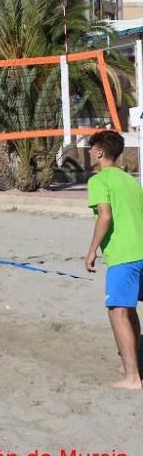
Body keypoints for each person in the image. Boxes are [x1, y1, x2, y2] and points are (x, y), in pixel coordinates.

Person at [84, 130, 143, 390]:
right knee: (128, 309)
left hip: (124, 255)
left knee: (117, 310)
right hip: (140, 251)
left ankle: (132, 377)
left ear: (99, 152)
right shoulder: (130, 180)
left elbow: (105, 217)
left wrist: (92, 249)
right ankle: (133, 365)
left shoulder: (99, 180)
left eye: (89, 148)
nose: (88, 153)